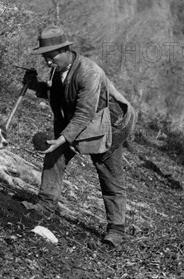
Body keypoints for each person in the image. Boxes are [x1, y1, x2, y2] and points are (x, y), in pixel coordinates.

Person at [22, 25, 136, 247]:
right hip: (79, 122)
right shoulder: (58, 69)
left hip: (109, 124)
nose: (47, 61)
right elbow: (60, 94)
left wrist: (63, 139)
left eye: (51, 56)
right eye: (45, 56)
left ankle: (116, 230)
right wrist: (34, 84)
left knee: (109, 175)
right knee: (54, 157)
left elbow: (85, 112)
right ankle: (45, 205)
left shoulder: (88, 72)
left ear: (65, 50)